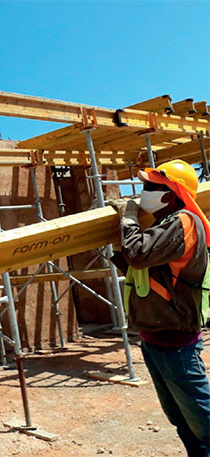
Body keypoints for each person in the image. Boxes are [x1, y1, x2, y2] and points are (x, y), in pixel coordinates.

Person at [111, 159, 210, 456]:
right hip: (156, 340)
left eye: (150, 187)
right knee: (182, 421)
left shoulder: (183, 222)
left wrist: (128, 219)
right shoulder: (163, 225)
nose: (143, 192)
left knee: (203, 424)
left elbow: (139, 255)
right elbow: (146, 269)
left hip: (175, 343)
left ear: (170, 194)